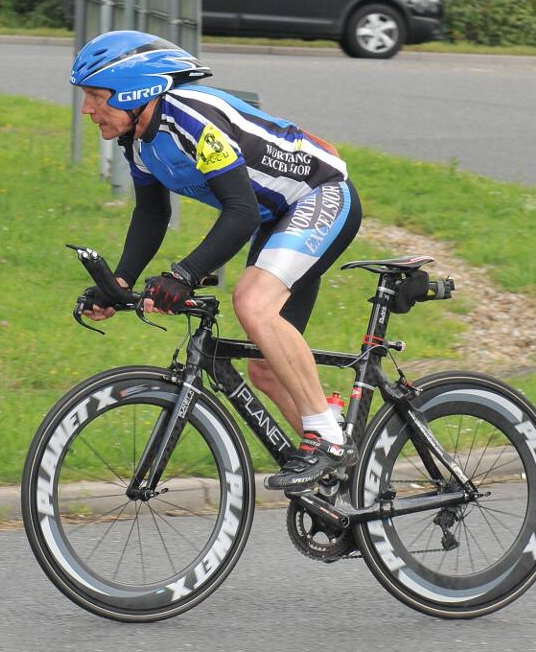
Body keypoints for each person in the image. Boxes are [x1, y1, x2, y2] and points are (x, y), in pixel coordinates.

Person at [70, 30, 362, 491]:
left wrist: (183, 274)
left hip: (320, 195)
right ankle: (347, 481)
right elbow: (152, 214)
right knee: (266, 369)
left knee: (253, 304)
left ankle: (328, 438)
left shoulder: (191, 119)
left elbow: (240, 212)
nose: (87, 109)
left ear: (133, 92)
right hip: (279, 215)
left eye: (95, 96)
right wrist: (119, 284)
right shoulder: (140, 140)